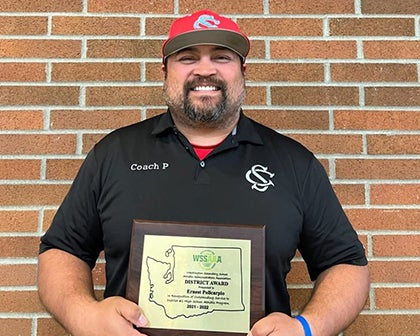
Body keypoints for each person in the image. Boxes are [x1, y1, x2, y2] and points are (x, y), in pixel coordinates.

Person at [38, 9, 369, 336]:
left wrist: (306, 329)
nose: (205, 69)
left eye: (222, 57)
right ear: (165, 70)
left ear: (243, 70)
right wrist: (85, 316)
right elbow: (62, 251)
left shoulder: (294, 163)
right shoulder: (115, 154)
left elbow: (346, 265)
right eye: (188, 57)